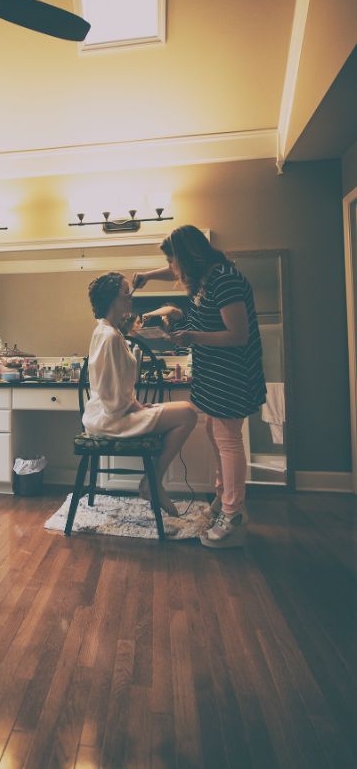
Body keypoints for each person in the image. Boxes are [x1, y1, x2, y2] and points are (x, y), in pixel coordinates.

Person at [133, 226, 266, 548]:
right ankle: (223, 499)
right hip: (213, 375)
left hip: (232, 376)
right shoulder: (206, 276)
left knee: (228, 439)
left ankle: (233, 515)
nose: (170, 267)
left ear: (188, 257)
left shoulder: (224, 280)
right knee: (215, 436)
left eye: (171, 260)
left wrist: (191, 337)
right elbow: (173, 269)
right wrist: (149, 274)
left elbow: (238, 335)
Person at [83, 272, 198, 517]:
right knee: (187, 413)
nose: (131, 298)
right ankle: (153, 482)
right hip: (113, 419)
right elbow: (111, 395)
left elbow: (116, 391)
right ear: (113, 299)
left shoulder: (107, 331)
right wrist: (134, 407)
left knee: (183, 412)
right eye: (126, 293)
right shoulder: (111, 337)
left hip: (110, 414)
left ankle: (152, 481)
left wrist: (137, 405)